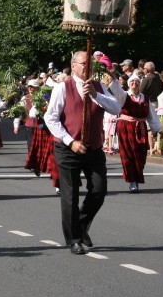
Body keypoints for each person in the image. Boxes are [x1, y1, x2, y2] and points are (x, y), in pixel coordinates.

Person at [44, 52, 122, 255]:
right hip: (68, 148)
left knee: (99, 190)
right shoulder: (63, 87)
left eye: (90, 64)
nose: (88, 67)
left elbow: (116, 108)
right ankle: (74, 239)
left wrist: (96, 95)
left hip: (93, 147)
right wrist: (71, 142)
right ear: (74, 65)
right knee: (70, 195)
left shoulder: (98, 87)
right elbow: (51, 118)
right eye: (84, 64)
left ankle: (81, 223)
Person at [109, 74, 161, 192]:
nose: (134, 83)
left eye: (137, 81)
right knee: (128, 155)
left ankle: (137, 177)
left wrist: (158, 129)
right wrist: (112, 76)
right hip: (126, 128)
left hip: (140, 128)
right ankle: (132, 180)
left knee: (141, 155)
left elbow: (152, 115)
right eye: (132, 81)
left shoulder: (145, 98)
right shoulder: (125, 96)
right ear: (129, 84)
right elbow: (117, 89)